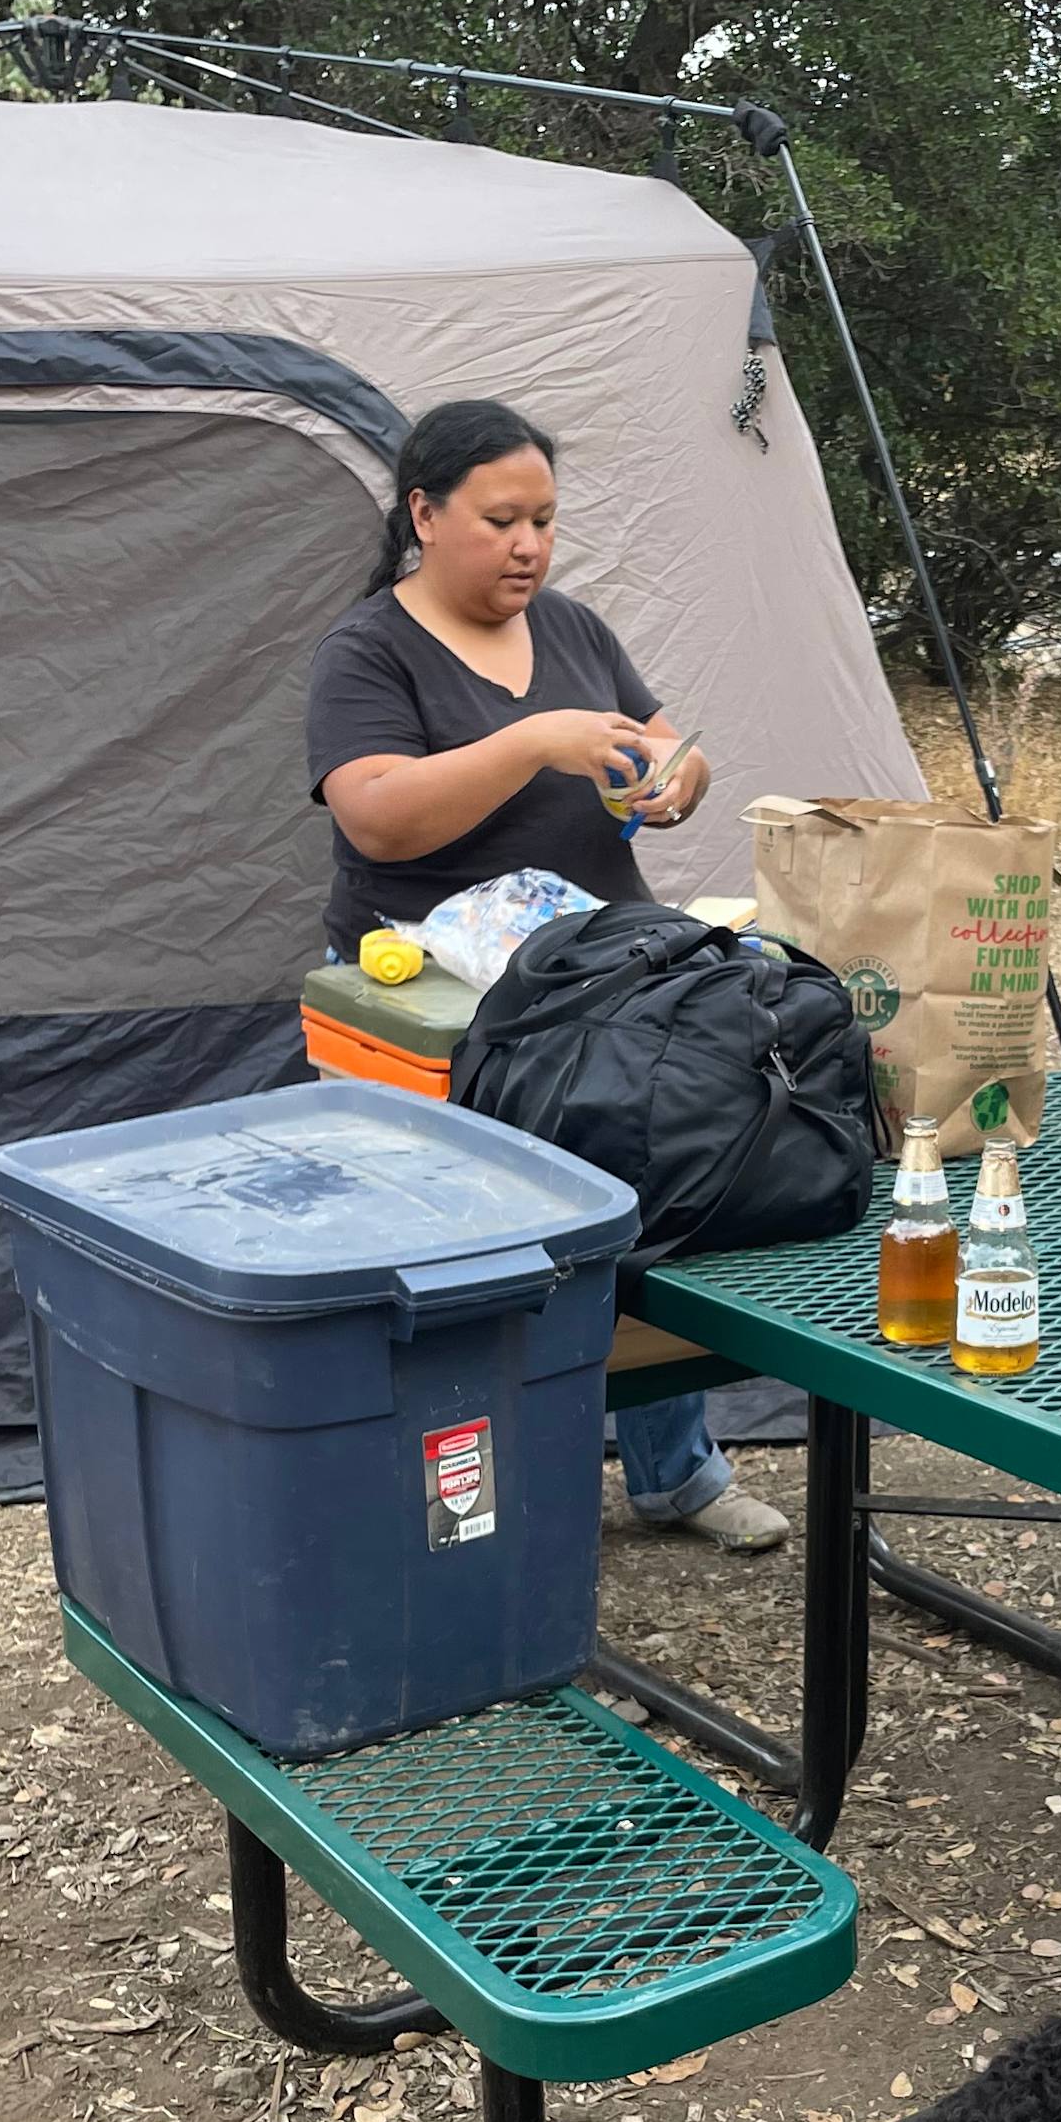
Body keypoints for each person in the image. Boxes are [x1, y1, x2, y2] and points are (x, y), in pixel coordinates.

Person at [306, 398, 786, 1552]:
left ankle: (678, 1470)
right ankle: (472, 1513)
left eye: (545, 521)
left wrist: (675, 782)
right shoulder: (367, 650)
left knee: (654, 1205)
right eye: (500, 520)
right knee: (476, 1254)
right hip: (438, 1004)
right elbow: (376, 819)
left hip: (604, 980)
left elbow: (673, 748)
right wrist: (534, 742)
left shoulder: (571, 626)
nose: (528, 546)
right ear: (425, 514)